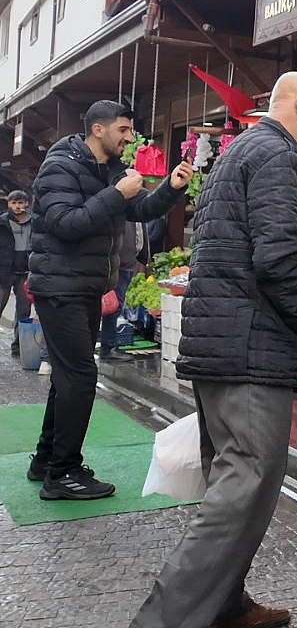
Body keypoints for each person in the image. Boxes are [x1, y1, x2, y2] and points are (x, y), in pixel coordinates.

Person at [129, 72, 297, 628]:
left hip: (225, 344)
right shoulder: (277, 157)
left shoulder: (244, 150)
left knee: (234, 482)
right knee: (243, 487)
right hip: (249, 349)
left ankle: (227, 605)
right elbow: (279, 261)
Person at [26, 100, 192, 498]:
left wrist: (171, 188)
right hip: (59, 287)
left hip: (85, 287)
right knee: (81, 377)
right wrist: (115, 194)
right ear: (98, 130)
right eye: (123, 130)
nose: (129, 138)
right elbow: (65, 224)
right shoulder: (60, 165)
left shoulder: (111, 170)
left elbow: (138, 208)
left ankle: (46, 459)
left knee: (67, 379)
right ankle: (62, 474)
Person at [97, 221, 143, 361]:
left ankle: (108, 345)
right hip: (118, 264)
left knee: (116, 306)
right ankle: (108, 347)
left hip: (128, 263)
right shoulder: (120, 208)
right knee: (112, 307)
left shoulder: (137, 211)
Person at [0, 189, 33, 356]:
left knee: (23, 312)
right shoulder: (2, 223)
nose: (18, 206)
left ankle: (18, 348)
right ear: (9, 204)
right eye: (14, 203)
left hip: (25, 273)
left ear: (26, 203)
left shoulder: (34, 222)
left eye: (20, 203)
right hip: (4, 273)